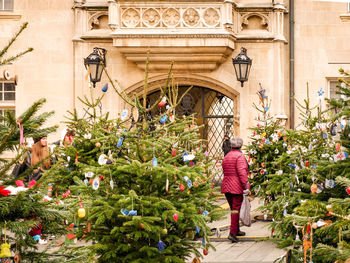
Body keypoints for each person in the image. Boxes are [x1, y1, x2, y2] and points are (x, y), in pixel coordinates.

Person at [221, 137, 250, 243]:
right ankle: (232, 233)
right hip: (236, 187)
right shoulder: (240, 156)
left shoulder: (227, 156)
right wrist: (246, 186)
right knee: (236, 209)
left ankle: (237, 229)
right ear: (240, 146)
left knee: (233, 208)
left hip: (226, 185)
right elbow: (242, 172)